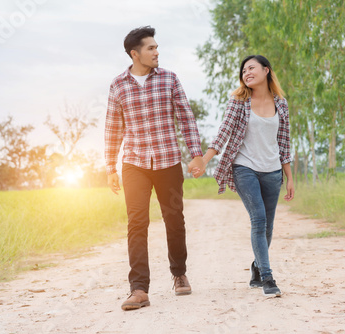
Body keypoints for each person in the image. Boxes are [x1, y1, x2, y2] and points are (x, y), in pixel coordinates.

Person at [104, 26, 204, 311]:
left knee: (174, 218)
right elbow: (113, 128)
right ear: (135, 54)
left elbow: (186, 117)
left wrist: (195, 154)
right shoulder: (118, 84)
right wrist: (111, 166)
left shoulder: (170, 79)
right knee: (137, 223)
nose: (157, 52)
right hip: (134, 163)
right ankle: (138, 289)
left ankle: (179, 273)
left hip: (168, 160)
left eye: (157, 47)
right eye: (151, 48)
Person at [195, 55, 295, 297]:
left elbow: (284, 142)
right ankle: (268, 278)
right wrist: (203, 160)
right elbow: (224, 133)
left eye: (251, 68)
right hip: (244, 167)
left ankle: (257, 266)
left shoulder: (280, 103)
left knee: (268, 227)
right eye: (243, 70)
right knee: (258, 219)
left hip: (272, 170)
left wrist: (289, 177)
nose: (246, 73)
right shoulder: (238, 101)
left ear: (266, 70)